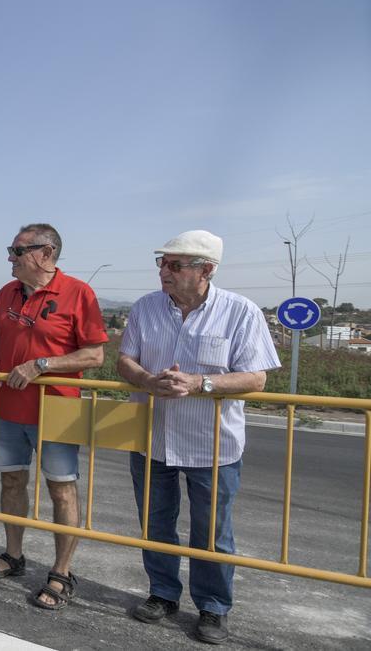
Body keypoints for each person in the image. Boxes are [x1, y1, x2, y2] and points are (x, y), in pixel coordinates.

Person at [116, 230, 279, 644]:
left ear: (206, 270)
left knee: (212, 531)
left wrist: (199, 383)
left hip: (212, 446)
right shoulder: (146, 308)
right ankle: (162, 593)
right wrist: (148, 380)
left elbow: (256, 376)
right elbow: (125, 361)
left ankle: (213, 607)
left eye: (174, 264)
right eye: (162, 263)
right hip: (152, 438)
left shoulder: (240, 312)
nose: (163, 271)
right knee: (155, 523)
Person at [0, 223, 108, 611]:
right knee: (12, 482)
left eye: (17, 251)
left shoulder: (78, 293)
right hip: (8, 410)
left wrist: (42, 365)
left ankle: (62, 572)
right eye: (11, 251)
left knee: (61, 489)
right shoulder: (5, 293)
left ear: (45, 253)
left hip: (58, 409)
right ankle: (13, 556)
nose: (9, 258)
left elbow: (95, 354)